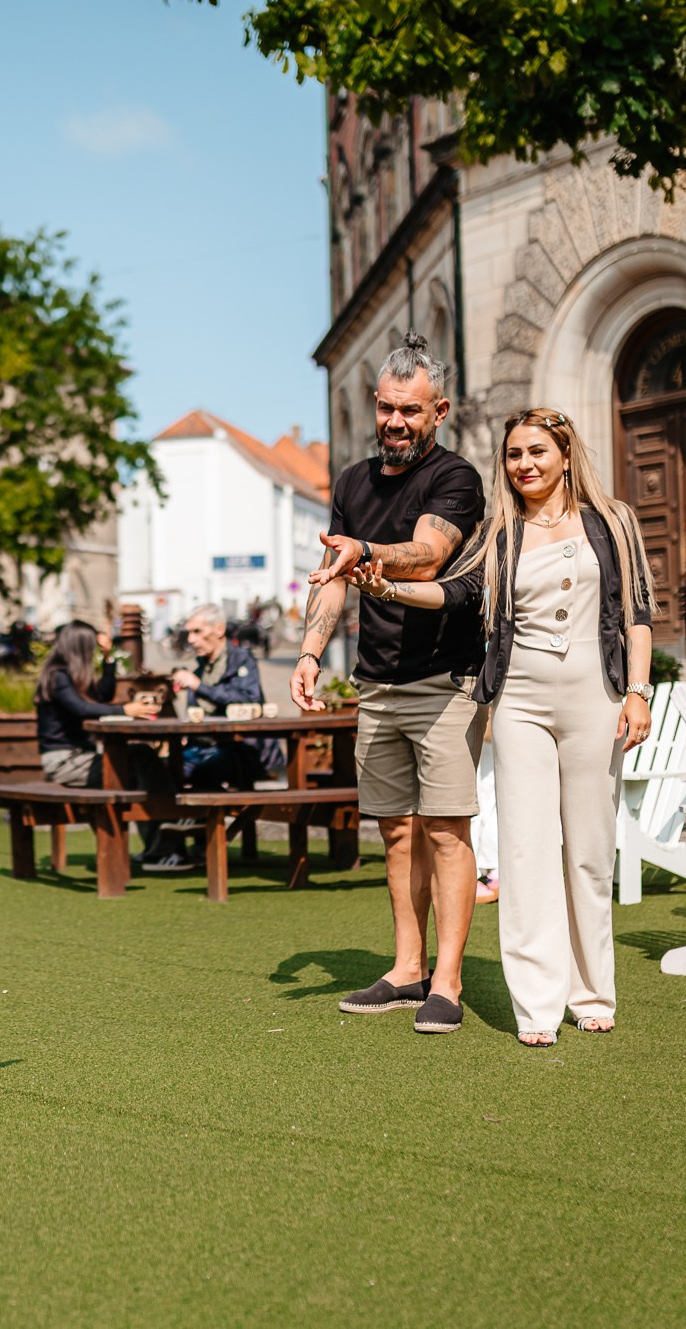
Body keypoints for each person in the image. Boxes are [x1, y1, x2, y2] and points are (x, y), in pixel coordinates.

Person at [348, 408, 654, 1047]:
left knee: (590, 853)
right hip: (518, 699)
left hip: (595, 696)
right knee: (524, 851)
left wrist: (637, 691)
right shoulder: (500, 532)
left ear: (565, 455)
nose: (525, 465)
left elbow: (636, 612)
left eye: (537, 452)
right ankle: (538, 1006)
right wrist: (388, 588)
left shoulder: (614, 521)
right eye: (514, 454)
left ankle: (592, 992)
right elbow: (453, 592)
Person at [291, 332, 486, 1035]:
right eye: (385, 408)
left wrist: (368, 550)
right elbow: (335, 580)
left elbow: (429, 554)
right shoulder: (349, 482)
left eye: (410, 410)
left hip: (444, 680)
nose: (394, 422)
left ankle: (449, 980)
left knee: (446, 830)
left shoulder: (455, 478)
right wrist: (312, 653)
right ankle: (406, 969)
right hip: (376, 681)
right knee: (396, 831)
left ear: (439, 411)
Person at [139, 603, 272, 872]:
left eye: (197, 632)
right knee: (157, 771)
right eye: (189, 633)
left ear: (219, 629)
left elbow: (249, 700)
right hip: (204, 747)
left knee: (200, 771)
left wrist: (199, 686)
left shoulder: (241, 659)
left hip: (242, 748)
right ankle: (165, 850)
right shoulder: (201, 665)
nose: (191, 639)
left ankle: (196, 840)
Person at [34, 620, 158, 787]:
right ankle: (166, 809)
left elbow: (103, 696)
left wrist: (108, 658)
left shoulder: (72, 676)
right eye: (91, 648)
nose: (93, 652)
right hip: (64, 761)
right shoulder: (57, 676)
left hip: (81, 756)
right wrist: (125, 710)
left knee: (141, 755)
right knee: (136, 763)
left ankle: (163, 807)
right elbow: (81, 708)